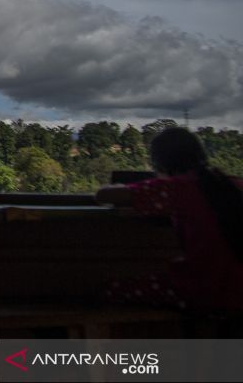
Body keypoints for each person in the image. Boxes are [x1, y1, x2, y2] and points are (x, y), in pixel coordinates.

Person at [95, 126, 243, 310]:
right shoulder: (234, 184)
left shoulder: (174, 189)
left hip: (209, 290)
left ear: (161, 164)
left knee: (109, 291)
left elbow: (104, 196)